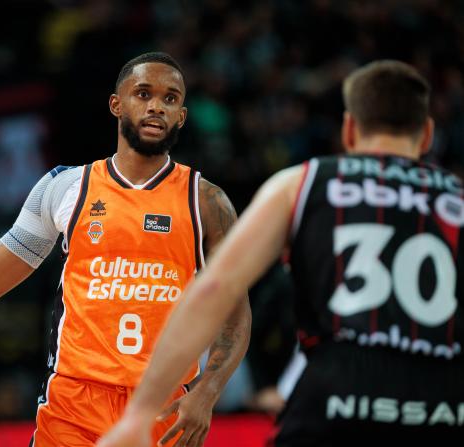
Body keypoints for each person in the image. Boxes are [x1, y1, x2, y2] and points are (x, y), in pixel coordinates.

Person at [0, 52, 252, 446]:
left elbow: (234, 316)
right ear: (116, 103)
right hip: (72, 407)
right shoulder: (63, 188)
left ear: (182, 115)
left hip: (161, 407)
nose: (156, 106)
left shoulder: (207, 203)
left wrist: (206, 392)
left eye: (170, 98)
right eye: (143, 93)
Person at [98, 60, 464, 447]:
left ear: (350, 130)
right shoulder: (458, 202)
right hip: (442, 408)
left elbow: (214, 290)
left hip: (333, 405)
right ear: (426, 135)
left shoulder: (303, 184)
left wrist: (139, 415)